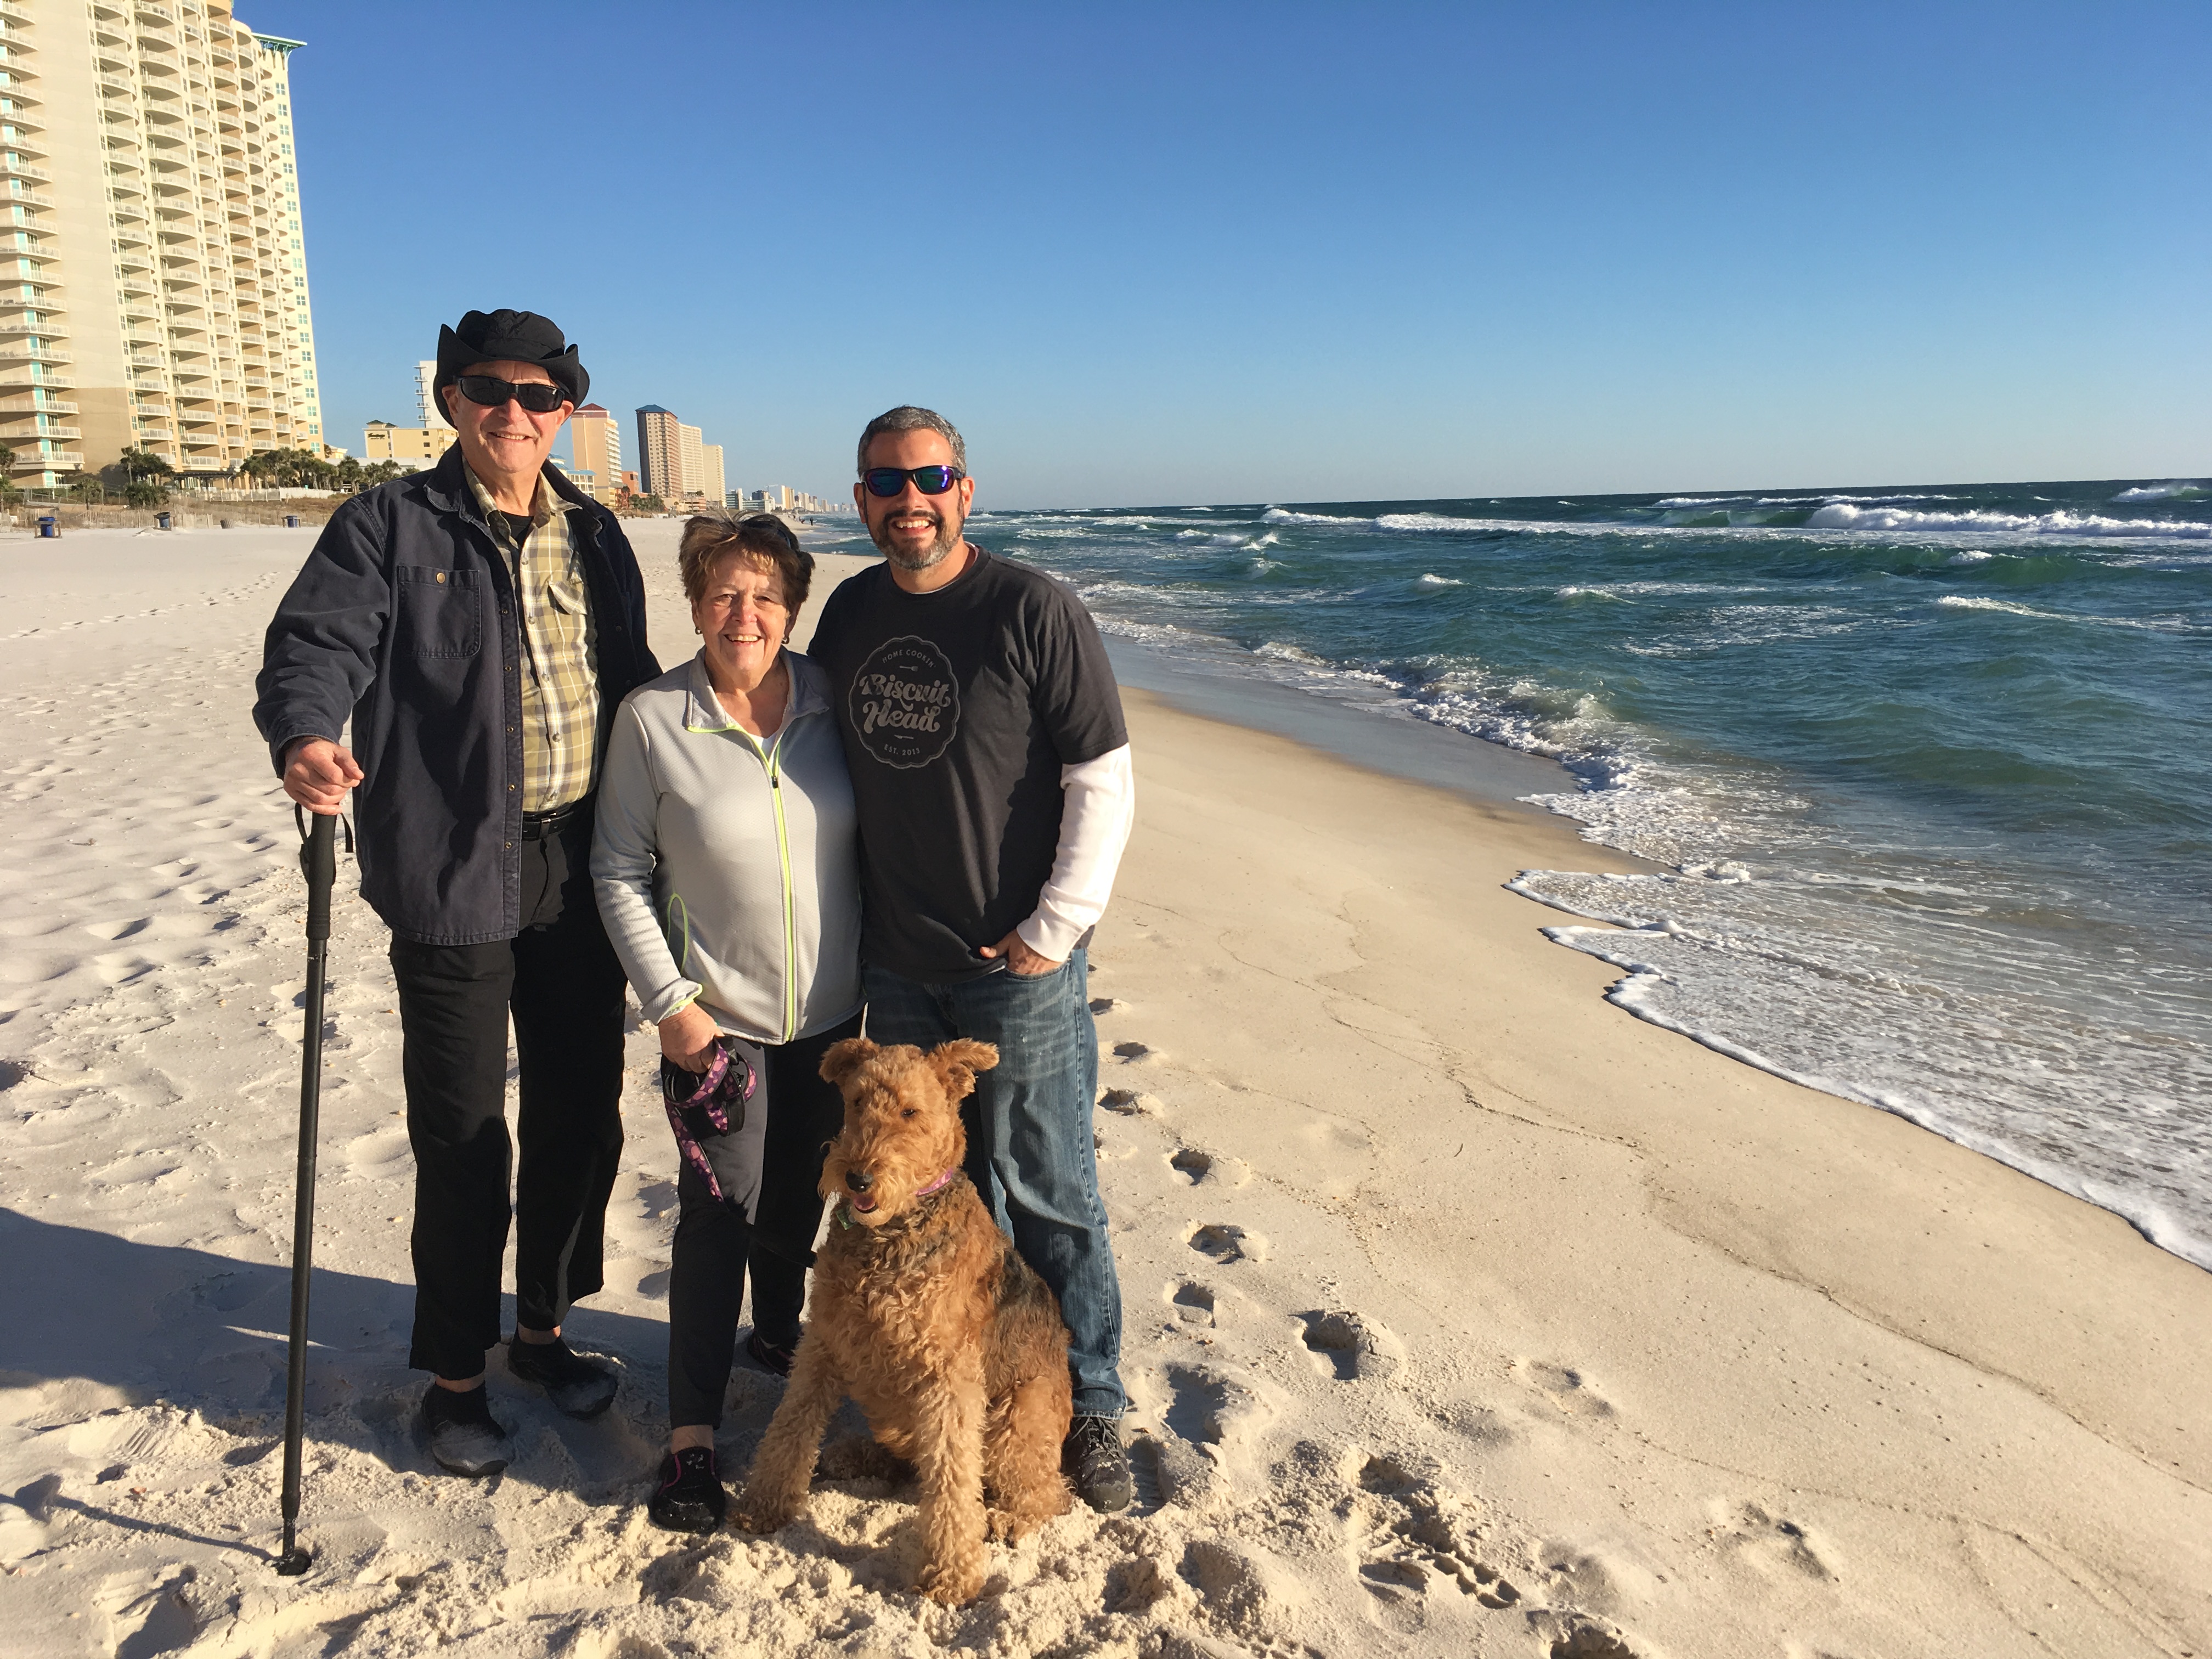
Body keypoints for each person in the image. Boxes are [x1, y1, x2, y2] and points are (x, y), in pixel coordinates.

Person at [253, 309, 657, 1477]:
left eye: (541, 396)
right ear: (452, 401)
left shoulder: (596, 535)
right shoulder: (389, 524)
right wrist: (304, 737)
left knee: (581, 1111)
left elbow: (631, 691)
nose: (514, 413)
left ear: (568, 412)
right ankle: (458, 1376)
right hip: (449, 864)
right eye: (489, 389)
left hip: (586, 866)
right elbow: (312, 649)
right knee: (465, 1133)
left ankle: (542, 1333)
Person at [805, 405, 1138, 1512]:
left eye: (930, 478)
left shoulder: (1033, 607)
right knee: (935, 1193)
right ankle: (943, 1389)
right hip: (900, 966)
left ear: (966, 487)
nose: (911, 501)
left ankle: (1091, 1404)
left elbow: (1102, 776)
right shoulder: (849, 614)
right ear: (861, 500)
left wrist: (1056, 926)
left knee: (1048, 1189)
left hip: (1018, 968)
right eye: (887, 484)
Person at [591, 510, 862, 1533]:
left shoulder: (831, 700)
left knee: (799, 1205)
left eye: (764, 596)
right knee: (717, 1219)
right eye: (723, 594)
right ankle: (692, 1441)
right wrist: (672, 1008)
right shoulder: (656, 717)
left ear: (792, 607)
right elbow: (617, 868)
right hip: (719, 1027)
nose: (742, 614)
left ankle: (781, 1338)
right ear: (696, 602)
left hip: (835, 1026)